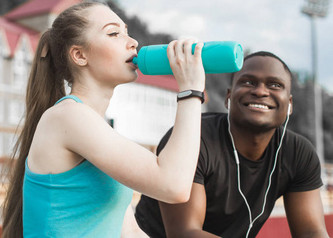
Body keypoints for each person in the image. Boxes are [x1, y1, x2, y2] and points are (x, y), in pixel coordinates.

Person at [0, 1, 206, 237]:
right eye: (113, 33)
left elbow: (129, 231)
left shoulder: (98, 130)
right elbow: (174, 185)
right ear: (79, 55)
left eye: (127, 32)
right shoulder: (68, 116)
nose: (133, 42)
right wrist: (191, 91)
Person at [135, 51, 329, 238]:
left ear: (290, 104)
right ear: (228, 97)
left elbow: (311, 232)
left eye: (275, 85)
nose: (261, 91)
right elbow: (185, 233)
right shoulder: (192, 138)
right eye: (248, 82)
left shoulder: (298, 153)